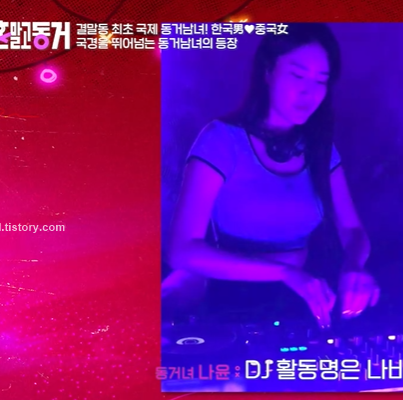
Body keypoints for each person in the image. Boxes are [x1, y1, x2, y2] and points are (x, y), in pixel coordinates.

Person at [162, 24, 379, 329]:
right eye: (297, 76)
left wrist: (354, 265)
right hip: (227, 295)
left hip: (300, 297)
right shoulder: (221, 141)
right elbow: (182, 250)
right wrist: (283, 272)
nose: (309, 92)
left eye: (321, 81)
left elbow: (353, 229)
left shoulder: (319, 147)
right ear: (267, 71)